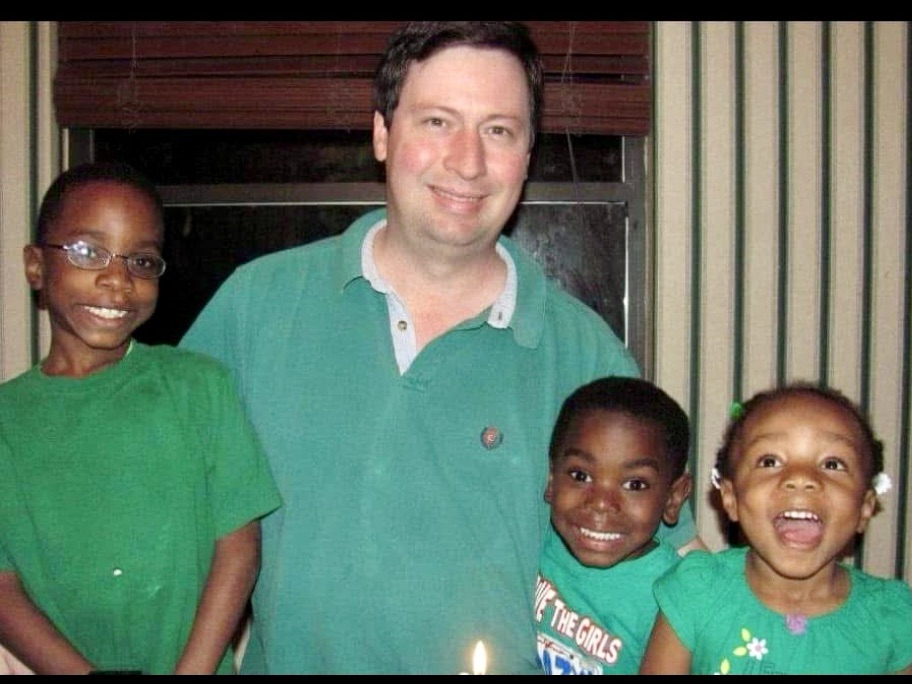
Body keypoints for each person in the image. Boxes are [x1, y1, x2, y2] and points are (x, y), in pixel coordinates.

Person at [180, 21, 700, 674]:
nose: (468, 161)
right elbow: (157, 509)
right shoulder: (257, 307)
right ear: (382, 133)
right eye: (437, 122)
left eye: (498, 130)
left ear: (528, 154)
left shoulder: (586, 360)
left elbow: (687, 586)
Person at [0, 161, 282, 674]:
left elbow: (239, 548)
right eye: (88, 252)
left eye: (142, 261)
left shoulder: (198, 387)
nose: (118, 279)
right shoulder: (7, 421)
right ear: (36, 266)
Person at [639, 382, 912, 675]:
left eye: (832, 464)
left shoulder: (893, 619)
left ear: (865, 506)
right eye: (770, 461)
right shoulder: (696, 592)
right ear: (731, 498)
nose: (801, 478)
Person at [535, 376, 692, 675]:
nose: (601, 503)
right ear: (552, 480)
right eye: (580, 476)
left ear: (673, 498)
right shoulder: (533, 543)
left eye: (635, 484)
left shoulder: (674, 600)